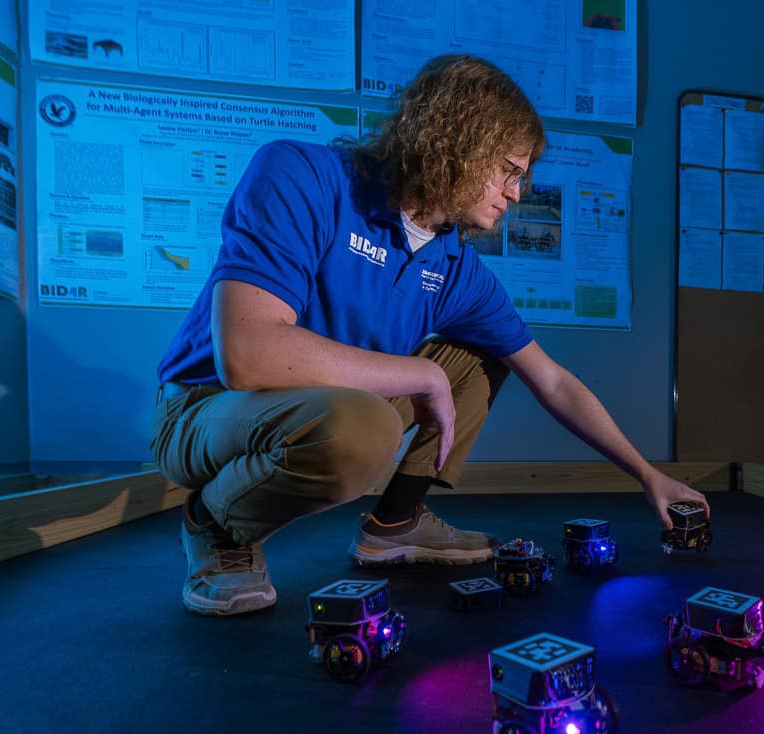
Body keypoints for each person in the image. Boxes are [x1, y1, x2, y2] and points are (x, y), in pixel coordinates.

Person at [151, 53, 709, 617]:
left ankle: (395, 523)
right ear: (458, 143)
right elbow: (247, 354)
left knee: (480, 356)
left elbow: (553, 382)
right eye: (510, 171)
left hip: (316, 413)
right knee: (360, 426)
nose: (517, 193)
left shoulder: (456, 267)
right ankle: (216, 523)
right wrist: (421, 372)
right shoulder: (300, 174)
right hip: (207, 411)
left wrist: (647, 475)